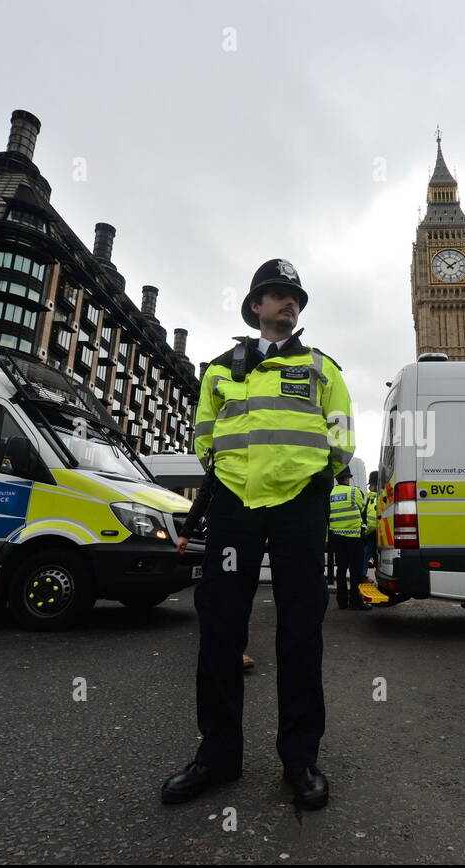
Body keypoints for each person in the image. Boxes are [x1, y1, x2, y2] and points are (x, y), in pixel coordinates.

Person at [161, 258, 353, 811]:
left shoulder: (323, 368)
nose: (288, 302)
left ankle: (301, 759)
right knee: (220, 628)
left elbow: (341, 432)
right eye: (276, 294)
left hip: (298, 507)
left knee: (300, 631)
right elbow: (203, 433)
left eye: (294, 296)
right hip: (234, 508)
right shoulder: (219, 370)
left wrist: (320, 479)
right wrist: (222, 474)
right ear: (255, 307)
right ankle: (217, 757)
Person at [176, 466, 255, 672]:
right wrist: (185, 533)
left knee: (234, 593)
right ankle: (224, 647)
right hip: (223, 533)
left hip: (243, 532)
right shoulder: (220, 465)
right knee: (218, 592)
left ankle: (232, 648)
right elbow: (202, 497)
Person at [327, 471, 369, 610]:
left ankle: (342, 602)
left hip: (337, 537)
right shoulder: (354, 492)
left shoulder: (330, 494)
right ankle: (355, 602)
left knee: (341, 570)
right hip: (354, 537)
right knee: (356, 572)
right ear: (346, 478)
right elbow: (362, 507)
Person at [362, 470, 379, 581]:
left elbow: (371, 521)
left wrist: (365, 532)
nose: (369, 488)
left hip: (371, 533)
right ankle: (364, 575)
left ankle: (363, 575)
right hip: (374, 534)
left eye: (371, 485)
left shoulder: (372, 498)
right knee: (374, 556)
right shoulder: (372, 497)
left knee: (366, 555)